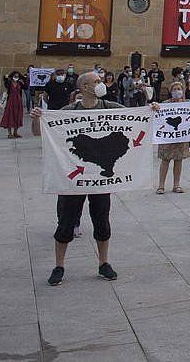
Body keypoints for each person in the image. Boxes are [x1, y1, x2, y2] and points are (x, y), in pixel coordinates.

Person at [30, 71, 143, 285]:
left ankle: (104, 263)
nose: (101, 84)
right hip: (74, 181)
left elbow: (138, 117)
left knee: (102, 220)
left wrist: (153, 109)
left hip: (100, 181)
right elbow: (39, 133)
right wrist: (37, 119)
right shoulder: (69, 111)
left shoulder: (110, 107)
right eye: (96, 82)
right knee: (66, 223)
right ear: (84, 87)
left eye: (100, 81)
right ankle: (59, 266)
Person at [156, 82, 190, 194]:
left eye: (179, 89)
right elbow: (157, 112)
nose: (177, 91)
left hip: (181, 136)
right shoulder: (165, 104)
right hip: (167, 137)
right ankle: (161, 186)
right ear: (171, 91)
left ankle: (176, 185)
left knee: (178, 160)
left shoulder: (187, 104)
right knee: (165, 160)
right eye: (174, 89)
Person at [0, 71, 25, 138]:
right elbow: (6, 83)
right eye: (15, 76)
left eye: (17, 76)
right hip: (11, 101)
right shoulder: (9, 83)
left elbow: (26, 87)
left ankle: (15, 132)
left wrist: (25, 80)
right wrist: (6, 78)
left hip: (18, 101)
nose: (16, 77)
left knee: (17, 115)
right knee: (10, 115)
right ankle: (9, 133)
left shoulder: (20, 83)